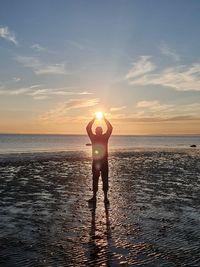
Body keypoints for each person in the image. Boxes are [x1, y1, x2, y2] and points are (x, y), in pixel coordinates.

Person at [86, 115, 113, 204]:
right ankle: (97, 197)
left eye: (99, 130)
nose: (98, 132)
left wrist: (94, 119)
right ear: (98, 132)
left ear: (100, 132)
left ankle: (104, 197)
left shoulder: (100, 137)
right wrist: (103, 119)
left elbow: (88, 128)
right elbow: (110, 128)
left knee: (101, 178)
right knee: (97, 178)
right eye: (98, 131)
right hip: (99, 162)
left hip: (101, 162)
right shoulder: (100, 137)